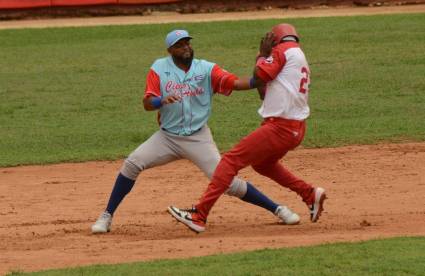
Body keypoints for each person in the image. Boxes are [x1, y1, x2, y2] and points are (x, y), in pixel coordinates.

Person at [91, 29, 301, 233]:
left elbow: (236, 83)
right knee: (132, 164)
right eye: (179, 45)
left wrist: (261, 69)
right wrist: (160, 100)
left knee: (227, 182)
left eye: (187, 43)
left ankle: (278, 209)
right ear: (170, 50)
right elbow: (147, 103)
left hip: (198, 137)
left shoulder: (206, 69)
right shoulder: (158, 68)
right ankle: (106, 216)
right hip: (167, 137)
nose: (185, 47)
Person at [168, 24, 327, 233]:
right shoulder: (297, 55)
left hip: (280, 127)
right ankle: (308, 193)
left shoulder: (282, 52)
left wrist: (262, 55)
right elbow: (262, 90)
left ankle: (199, 214)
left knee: (230, 161)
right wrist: (262, 57)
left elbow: (260, 75)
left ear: (276, 40)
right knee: (263, 165)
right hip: (295, 128)